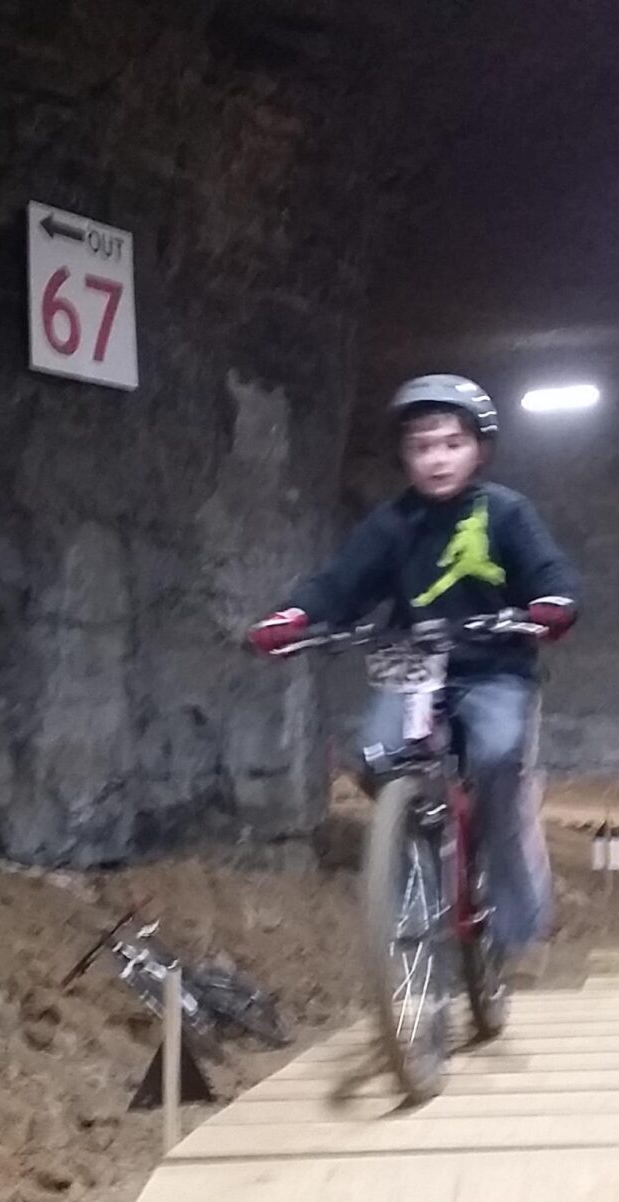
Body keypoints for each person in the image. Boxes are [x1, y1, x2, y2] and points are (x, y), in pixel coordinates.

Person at [246, 375, 579, 986]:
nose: (436, 458)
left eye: (451, 443)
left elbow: (547, 570)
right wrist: (293, 618)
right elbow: (340, 583)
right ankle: (417, 878)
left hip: (493, 666)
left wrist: (551, 604)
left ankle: (509, 908)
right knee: (377, 760)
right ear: (406, 457)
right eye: (422, 447)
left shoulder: (504, 512)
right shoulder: (392, 523)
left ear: (478, 449)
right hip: (414, 667)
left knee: (499, 755)